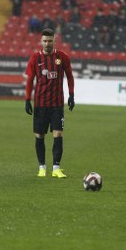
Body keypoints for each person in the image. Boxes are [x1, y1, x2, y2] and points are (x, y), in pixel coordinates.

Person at [24, 28, 75, 178]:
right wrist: (27, 100)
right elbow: (29, 80)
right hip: (40, 104)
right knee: (39, 136)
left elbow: (70, 76)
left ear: (54, 40)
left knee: (58, 134)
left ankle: (56, 168)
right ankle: (41, 167)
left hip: (57, 104)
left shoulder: (62, 57)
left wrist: (71, 95)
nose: (47, 43)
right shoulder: (35, 58)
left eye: (50, 41)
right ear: (41, 41)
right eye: (45, 41)